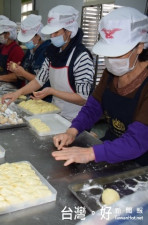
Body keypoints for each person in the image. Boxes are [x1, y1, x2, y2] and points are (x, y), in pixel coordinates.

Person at [52, 7, 148, 167]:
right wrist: (72, 131)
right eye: (108, 53)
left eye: (117, 52)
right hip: (110, 150)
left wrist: (91, 153)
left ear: (139, 47)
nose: (110, 59)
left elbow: (137, 141)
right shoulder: (112, 71)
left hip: (141, 164)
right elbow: (93, 107)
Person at [2, 5, 94, 121]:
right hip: (56, 113)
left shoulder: (81, 57)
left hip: (77, 119)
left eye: (56, 32)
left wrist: (51, 91)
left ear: (69, 31)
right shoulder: (52, 52)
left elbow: (83, 98)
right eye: (51, 33)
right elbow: (39, 80)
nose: (52, 36)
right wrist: (17, 93)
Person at [5, 14, 51, 92]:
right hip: (30, 93)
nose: (26, 41)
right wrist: (17, 71)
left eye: (28, 38)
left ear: (38, 36)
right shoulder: (30, 52)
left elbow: (44, 82)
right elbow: (24, 76)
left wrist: (23, 73)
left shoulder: (47, 52)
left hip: (44, 98)